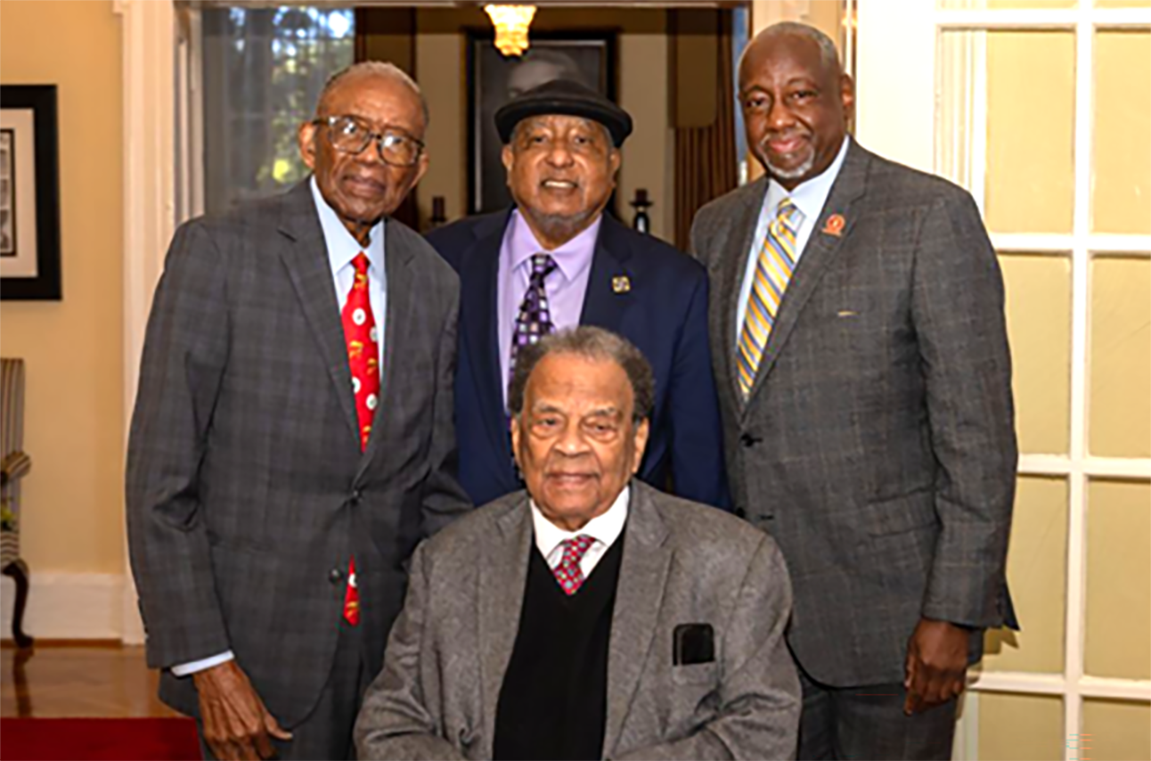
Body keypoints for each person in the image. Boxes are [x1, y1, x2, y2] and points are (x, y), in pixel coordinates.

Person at [690, 22, 1018, 761]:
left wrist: (953, 611)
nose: (778, 118)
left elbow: (978, 440)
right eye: (757, 101)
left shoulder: (927, 216)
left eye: (800, 95)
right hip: (755, 624)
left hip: (891, 624)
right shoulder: (716, 227)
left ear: (843, 96)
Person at [126, 61, 470, 761]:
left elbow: (433, 486)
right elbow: (160, 484)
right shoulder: (219, 253)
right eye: (352, 130)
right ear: (310, 140)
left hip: (391, 658)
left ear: (418, 168)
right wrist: (206, 661)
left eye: (396, 141)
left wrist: (447, 645)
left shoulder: (434, 282)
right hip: (253, 655)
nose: (372, 156)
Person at [355, 326, 800, 761]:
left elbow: (763, 727)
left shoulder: (732, 562)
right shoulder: (448, 561)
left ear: (637, 442)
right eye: (548, 422)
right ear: (517, 437)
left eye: (599, 426)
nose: (570, 445)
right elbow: (388, 724)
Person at [427, 78, 729, 510]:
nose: (559, 157)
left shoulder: (675, 286)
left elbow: (697, 460)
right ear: (509, 160)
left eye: (582, 141)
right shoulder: (441, 261)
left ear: (612, 164)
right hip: (458, 534)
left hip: (616, 542)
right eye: (538, 140)